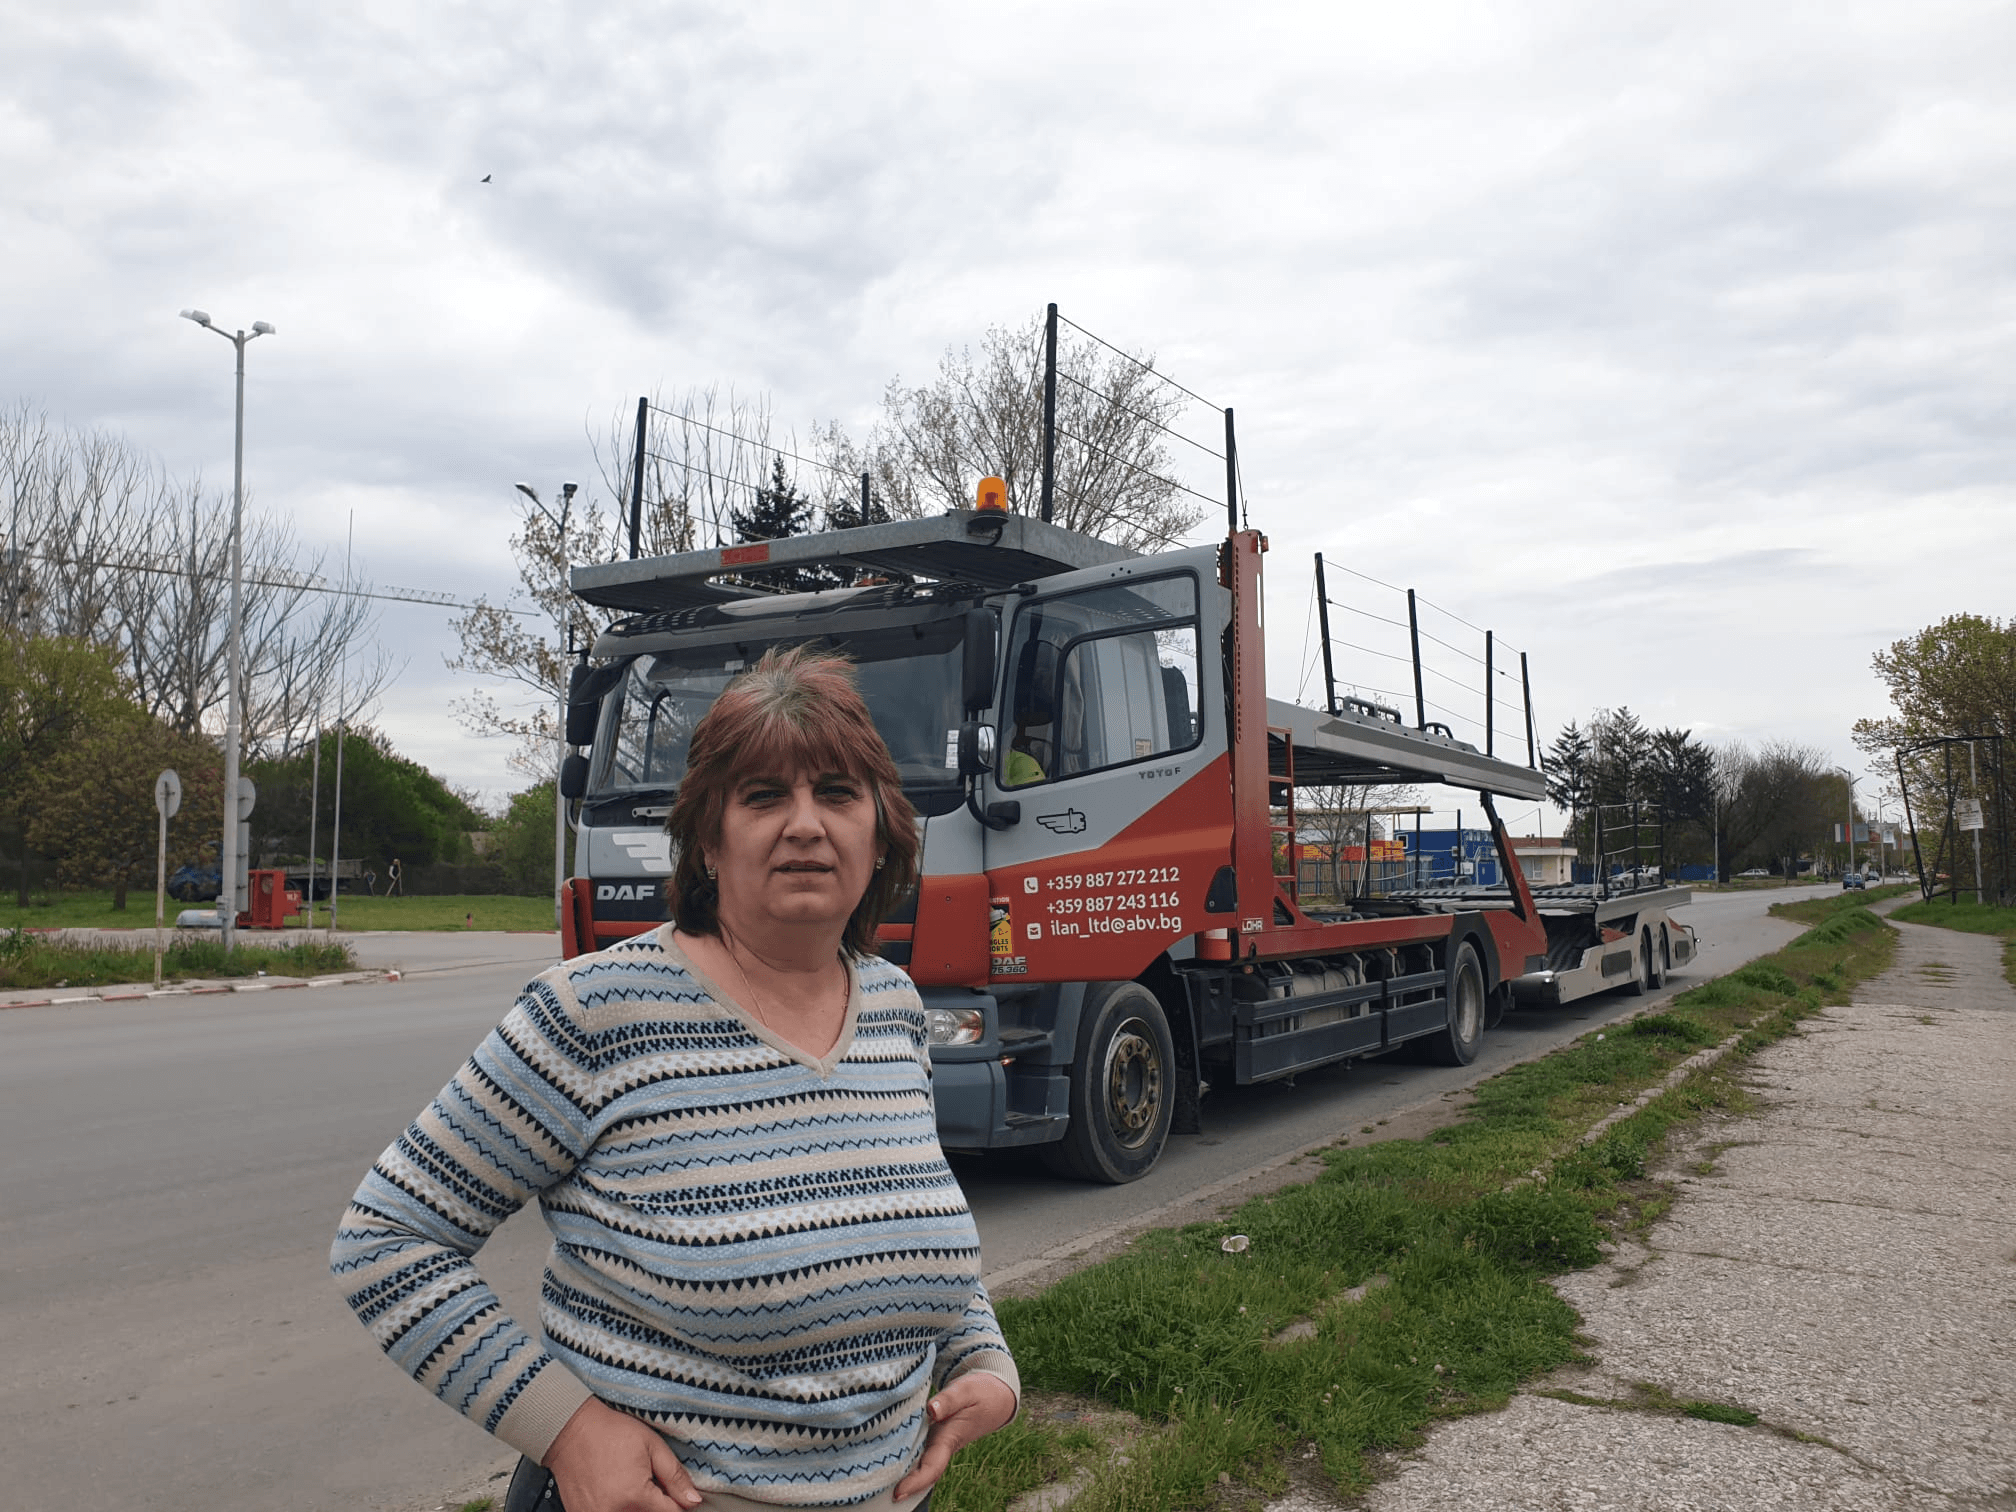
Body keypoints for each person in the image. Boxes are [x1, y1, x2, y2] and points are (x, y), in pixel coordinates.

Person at [332, 645, 1018, 1511]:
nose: (805, 824)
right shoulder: (595, 1011)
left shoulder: (893, 1006)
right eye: (765, 796)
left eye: (837, 794)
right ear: (706, 838)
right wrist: (568, 1429)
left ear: (881, 833)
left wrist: (983, 1361)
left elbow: (894, 1227)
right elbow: (386, 1242)